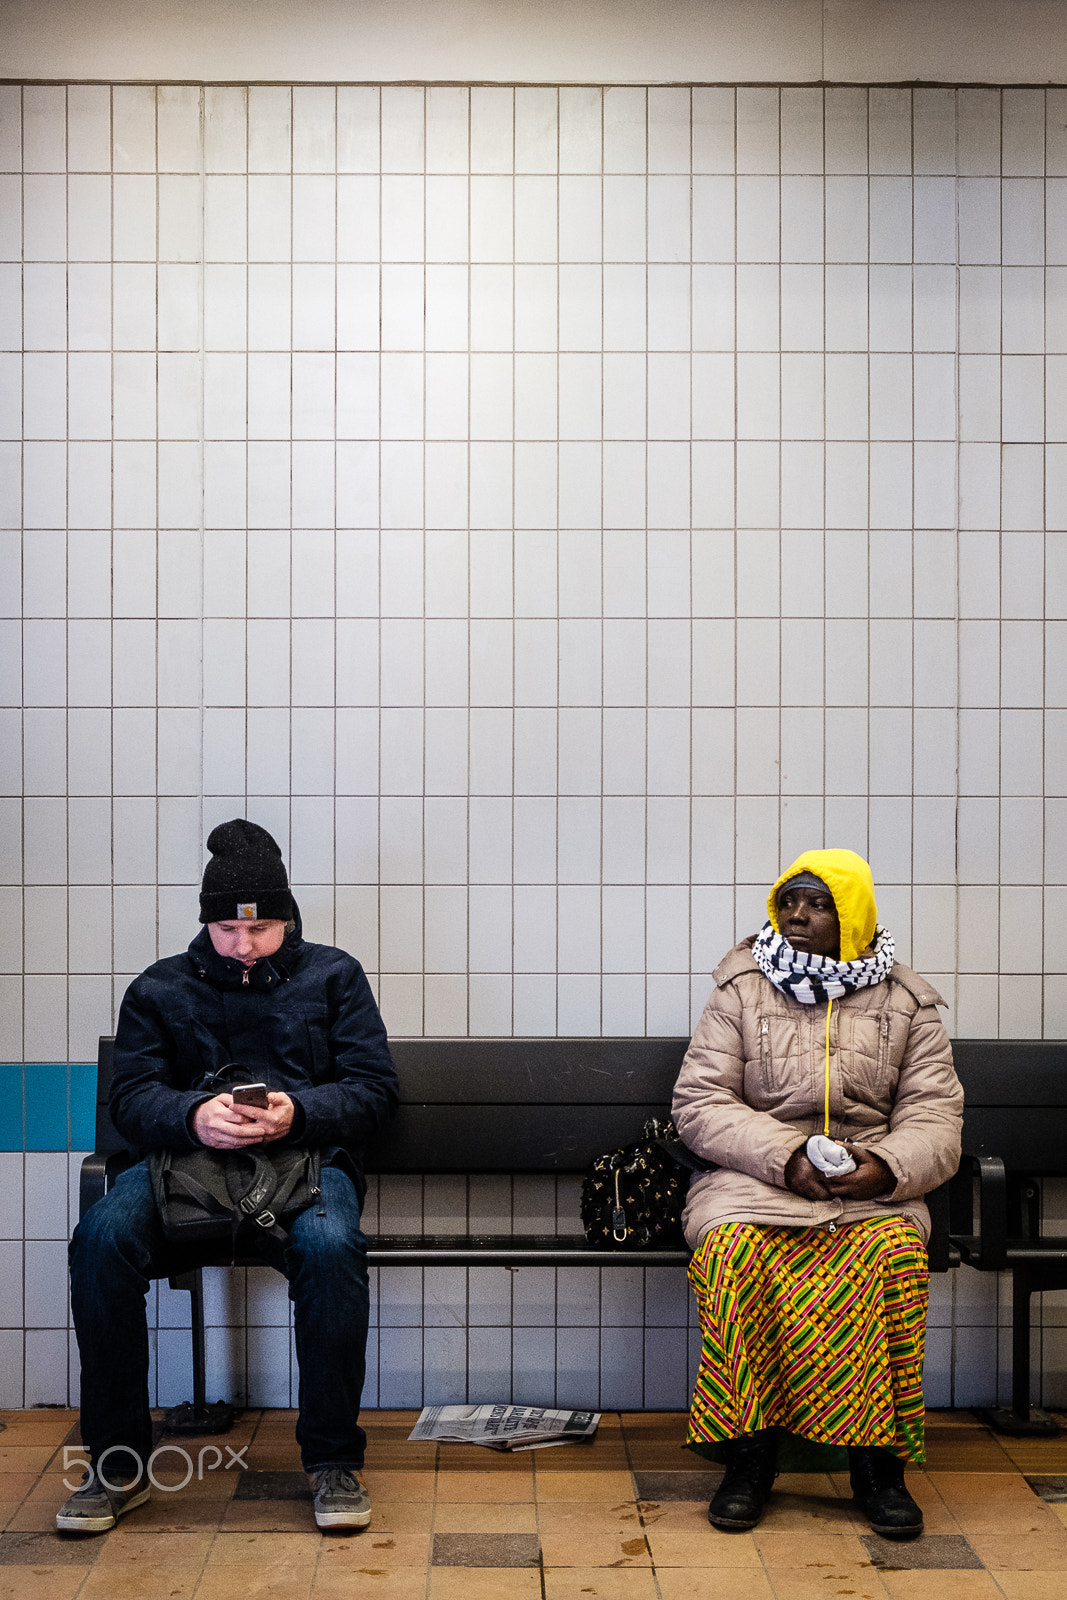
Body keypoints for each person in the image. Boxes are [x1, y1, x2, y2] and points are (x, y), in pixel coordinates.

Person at [58, 819, 398, 1535]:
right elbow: (131, 1096)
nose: (244, 946)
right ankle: (117, 1465)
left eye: (263, 928)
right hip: (179, 1170)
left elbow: (373, 1091)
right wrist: (194, 1116)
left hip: (303, 1165)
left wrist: (296, 1112)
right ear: (206, 922)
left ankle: (332, 1460)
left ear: (288, 918)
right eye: (226, 930)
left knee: (333, 1249)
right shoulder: (159, 988)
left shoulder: (334, 976)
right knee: (98, 1241)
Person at [672, 848, 962, 1537]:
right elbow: (700, 1102)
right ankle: (748, 1457)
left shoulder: (906, 1001)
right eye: (788, 901)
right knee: (732, 1255)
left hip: (867, 1188)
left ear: (852, 914)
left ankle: (876, 1464)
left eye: (817, 903)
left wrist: (884, 1166)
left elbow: (935, 1118)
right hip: (754, 1180)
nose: (796, 915)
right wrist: (783, 1155)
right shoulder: (740, 988)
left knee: (890, 1255)